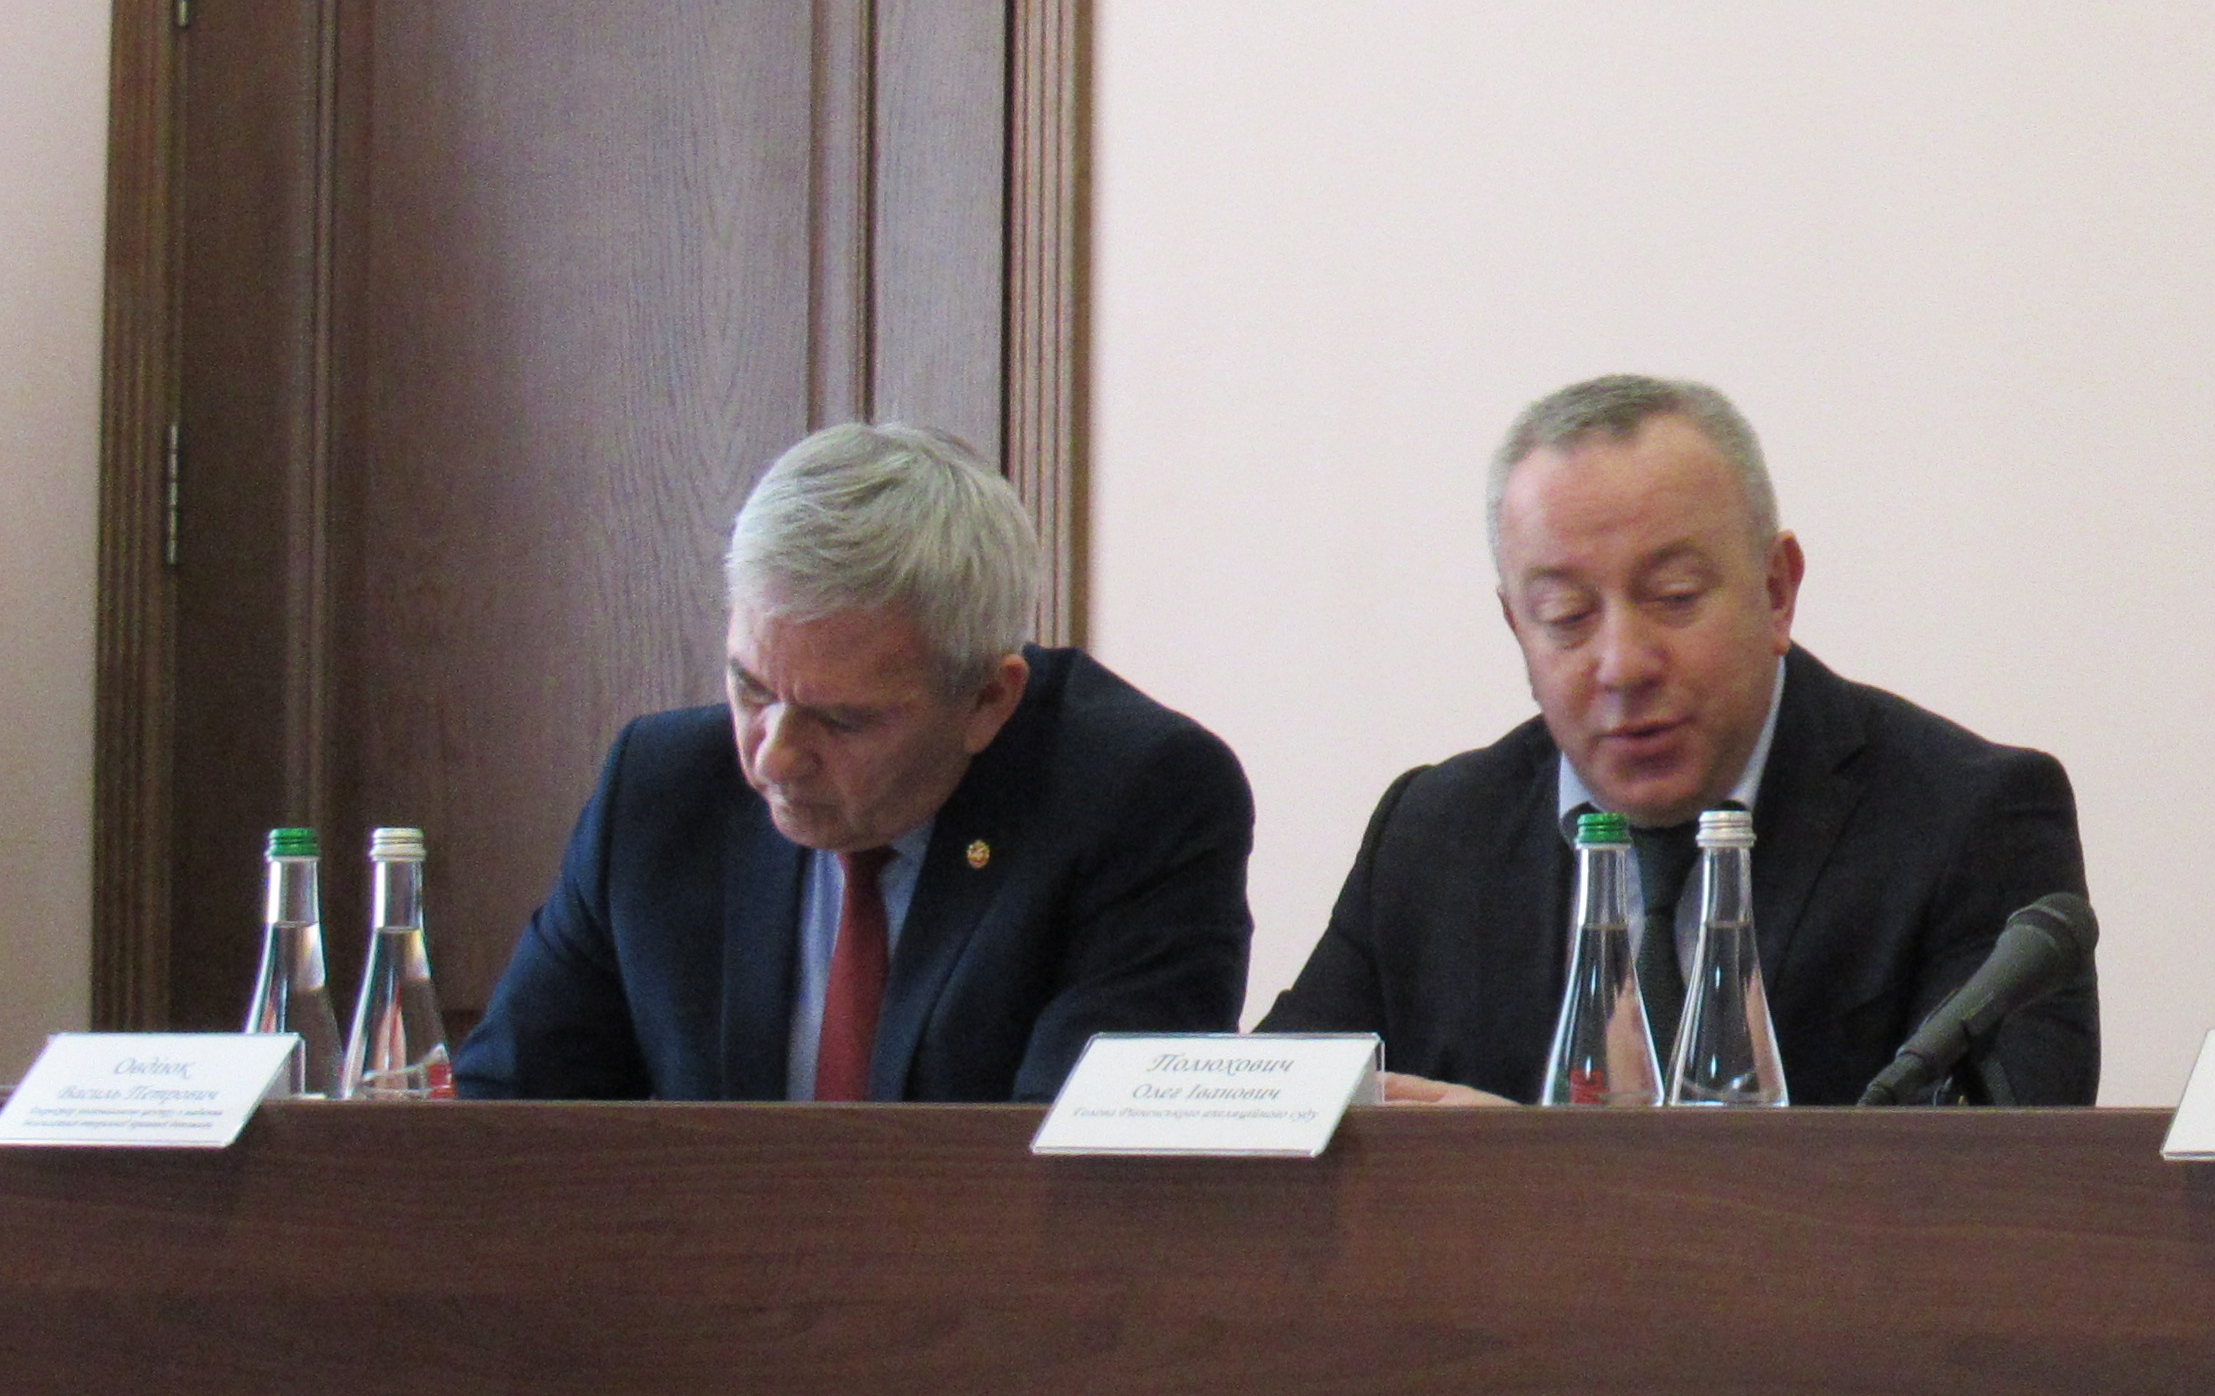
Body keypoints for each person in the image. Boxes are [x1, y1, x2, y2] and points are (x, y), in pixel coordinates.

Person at [1260, 375, 2097, 1104]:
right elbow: (1266, 1122)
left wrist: (1527, 1179)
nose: (1623, 664)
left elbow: (1998, 1184)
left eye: (1675, 597)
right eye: (1567, 616)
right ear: (1516, 627)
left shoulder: (1968, 819)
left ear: (1776, 590)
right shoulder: (1434, 833)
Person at [456, 424, 1254, 1101]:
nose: (776, 756)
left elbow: (1082, 1178)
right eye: (750, 687)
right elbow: (503, 1128)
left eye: (841, 719)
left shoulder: (1141, 798)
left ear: (988, 700)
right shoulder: (660, 789)